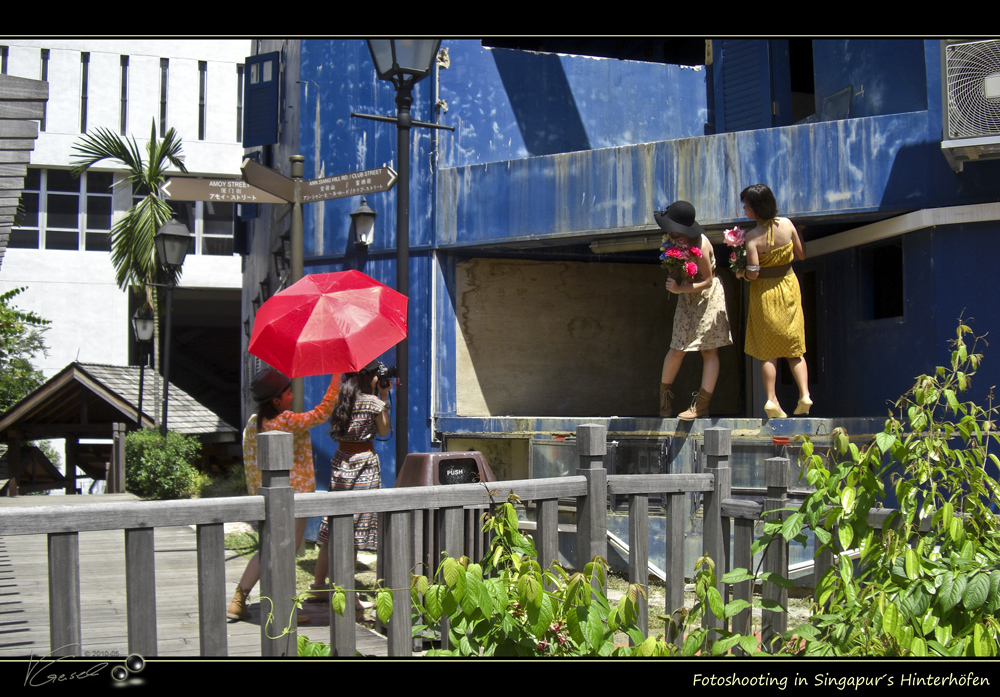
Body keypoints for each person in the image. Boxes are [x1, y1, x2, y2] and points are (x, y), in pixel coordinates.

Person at [227, 367, 342, 621]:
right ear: (277, 400)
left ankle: (239, 598)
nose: (292, 396)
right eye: (288, 393)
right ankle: (284, 609)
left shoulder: (254, 423)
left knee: (268, 549)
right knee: (285, 553)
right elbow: (321, 413)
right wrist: (336, 377)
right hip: (293, 498)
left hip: (266, 498)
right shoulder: (286, 420)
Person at [309, 361, 392, 620]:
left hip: (340, 461)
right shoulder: (372, 403)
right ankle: (347, 592)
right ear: (371, 378)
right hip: (364, 465)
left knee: (334, 523)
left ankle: (319, 585)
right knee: (354, 531)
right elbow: (384, 430)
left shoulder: (340, 399)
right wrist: (384, 396)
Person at [735, 183, 811, 418]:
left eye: (746, 206)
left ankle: (771, 400)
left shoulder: (752, 237)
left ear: (757, 208)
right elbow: (801, 254)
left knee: (768, 350)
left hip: (765, 293)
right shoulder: (787, 225)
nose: (745, 210)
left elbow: (754, 272)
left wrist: (741, 273)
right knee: (795, 349)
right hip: (788, 286)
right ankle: (805, 394)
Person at [654, 200, 733, 420]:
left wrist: (680, 288)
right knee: (677, 347)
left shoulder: (701, 243)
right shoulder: (673, 241)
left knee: (709, 350)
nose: (668, 231)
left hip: (706, 296)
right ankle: (664, 398)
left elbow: (707, 280)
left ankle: (701, 405)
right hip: (686, 295)